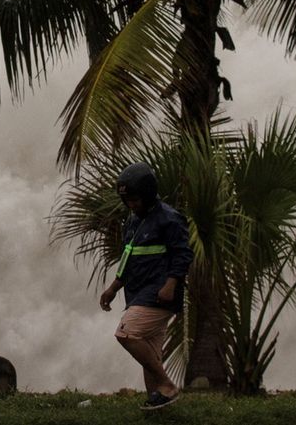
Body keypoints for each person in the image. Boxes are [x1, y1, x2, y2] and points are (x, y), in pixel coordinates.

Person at [98, 162, 193, 411]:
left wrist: (171, 284)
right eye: (127, 200)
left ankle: (167, 385)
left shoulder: (170, 219)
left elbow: (183, 255)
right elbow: (128, 256)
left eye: (135, 199)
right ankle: (159, 402)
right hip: (138, 292)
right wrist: (114, 287)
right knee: (150, 352)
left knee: (126, 333)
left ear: (148, 194)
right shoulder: (133, 221)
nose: (132, 205)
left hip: (160, 293)